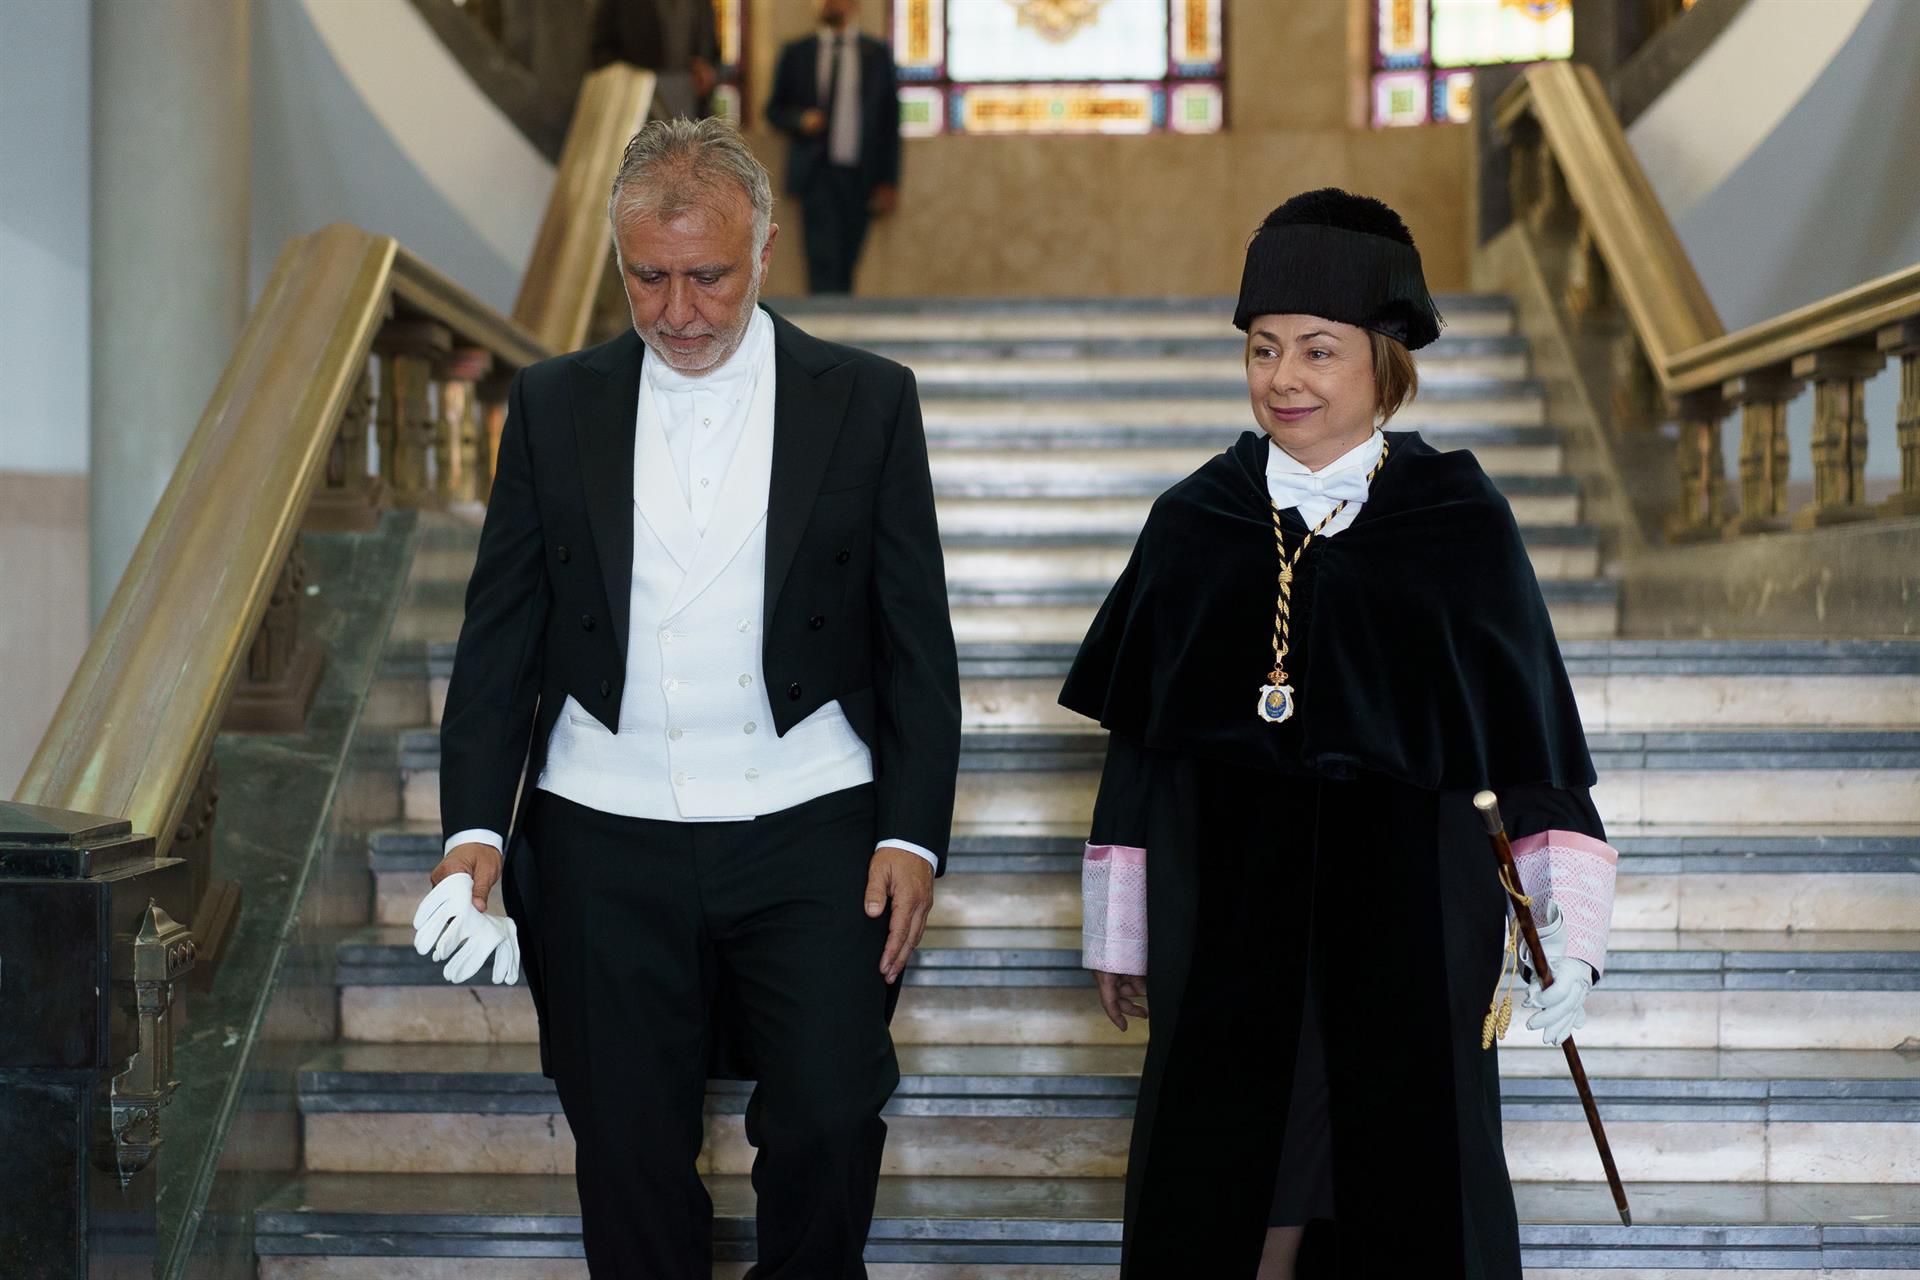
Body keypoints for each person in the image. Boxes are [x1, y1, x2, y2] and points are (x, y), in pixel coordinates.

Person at [425, 117, 961, 1277]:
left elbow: (917, 638)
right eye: (647, 278)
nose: (678, 311)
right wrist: (475, 826)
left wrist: (913, 829)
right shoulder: (555, 400)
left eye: (708, 276)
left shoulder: (866, 397)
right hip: (601, 830)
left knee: (827, 1115)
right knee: (625, 1145)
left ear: (765, 254)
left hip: (814, 818)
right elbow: (498, 635)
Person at [1060, 188, 1619, 1279]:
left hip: (1413, 910)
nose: (1286, 379)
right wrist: (1120, 922)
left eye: (1318, 351)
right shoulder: (1195, 520)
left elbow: (1532, 744)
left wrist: (1574, 938)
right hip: (1226, 911)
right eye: (1265, 349)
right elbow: (1145, 745)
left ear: (1384, 363)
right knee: (1234, 1173)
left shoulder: (1460, 519)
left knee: (1402, 1176)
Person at [765, 0, 901, 294]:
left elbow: (889, 125)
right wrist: (801, 119)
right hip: (817, 175)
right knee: (822, 260)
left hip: (860, 176)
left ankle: (841, 328)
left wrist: (888, 182)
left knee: (847, 261)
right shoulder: (798, 53)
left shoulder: (876, 55)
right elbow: (774, 110)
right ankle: (823, 332)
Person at [591, 0, 721, 120]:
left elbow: (712, 50)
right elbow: (600, 50)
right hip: (638, 97)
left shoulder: (702, 3)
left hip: (690, 95)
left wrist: (707, 69)